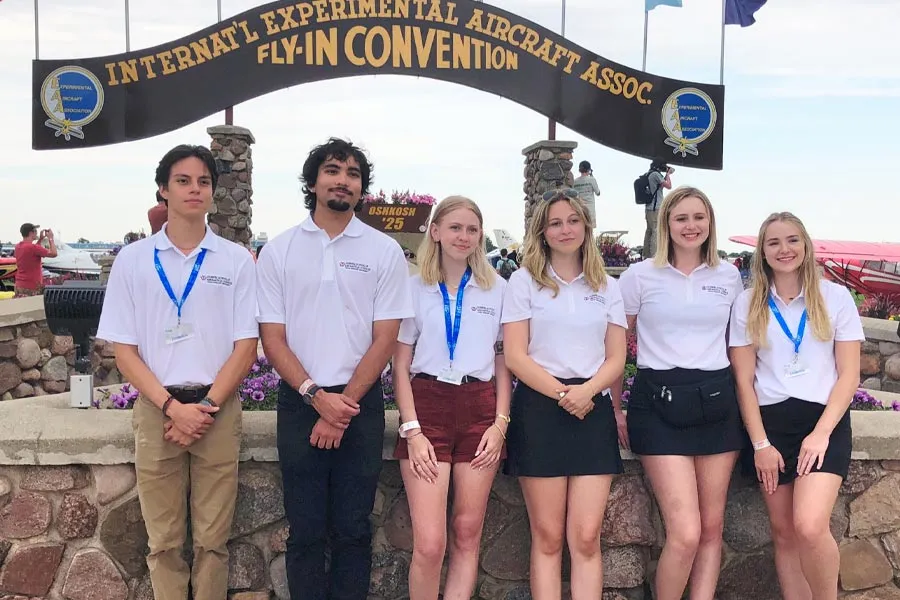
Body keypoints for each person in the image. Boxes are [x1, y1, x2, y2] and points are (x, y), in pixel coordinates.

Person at [96, 144, 259, 600]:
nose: (194, 189)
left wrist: (204, 407)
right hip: (156, 409)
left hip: (217, 409)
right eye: (183, 181)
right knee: (163, 542)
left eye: (203, 182)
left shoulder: (234, 260)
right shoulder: (134, 260)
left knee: (213, 541)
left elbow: (246, 346)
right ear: (163, 190)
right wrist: (171, 407)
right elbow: (124, 350)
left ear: (212, 192)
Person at [256, 138, 413, 600]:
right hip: (301, 400)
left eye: (352, 174)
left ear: (362, 188)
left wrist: (342, 405)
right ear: (313, 181)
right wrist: (316, 397)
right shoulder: (280, 250)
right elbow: (272, 338)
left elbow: (385, 337)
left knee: (352, 530)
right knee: (304, 531)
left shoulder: (384, 251)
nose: (343, 180)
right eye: (332, 170)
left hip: (359, 405)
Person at [614, 186, 745, 600]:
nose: (691, 226)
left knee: (711, 528)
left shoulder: (728, 277)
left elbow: (735, 346)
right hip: (657, 403)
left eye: (698, 217)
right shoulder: (638, 276)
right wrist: (615, 407)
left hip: (717, 402)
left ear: (710, 223)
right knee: (685, 532)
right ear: (666, 223)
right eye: (681, 218)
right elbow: (616, 345)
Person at [729, 212, 862, 600]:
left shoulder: (835, 298)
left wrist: (820, 434)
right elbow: (744, 381)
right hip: (769, 428)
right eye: (773, 242)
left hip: (824, 424)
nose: (784, 249)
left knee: (808, 526)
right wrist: (760, 445)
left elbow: (849, 375)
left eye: (791, 240)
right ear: (762, 252)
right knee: (785, 534)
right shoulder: (747, 304)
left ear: (805, 245)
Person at [501, 188, 627, 600]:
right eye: (555, 222)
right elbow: (516, 356)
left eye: (573, 220)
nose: (565, 229)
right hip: (540, 411)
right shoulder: (523, 283)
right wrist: (563, 394)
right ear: (542, 231)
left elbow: (617, 357)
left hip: (593, 411)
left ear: (586, 227)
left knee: (587, 537)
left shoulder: (607, 286)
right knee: (549, 536)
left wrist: (586, 391)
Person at [393, 195, 512, 600]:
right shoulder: (413, 289)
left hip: (479, 407)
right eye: (456, 227)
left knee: (466, 531)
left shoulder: (497, 289)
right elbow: (400, 363)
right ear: (437, 232)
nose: (464, 236)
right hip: (426, 407)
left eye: (473, 229)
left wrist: (500, 424)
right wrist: (412, 430)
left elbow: (503, 361)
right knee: (429, 543)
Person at [13, 223, 57, 297]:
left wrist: (40, 239)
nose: (36, 233)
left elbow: (33, 251)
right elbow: (54, 253)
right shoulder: (33, 248)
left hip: (19, 284)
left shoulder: (18, 246)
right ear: (31, 233)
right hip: (32, 286)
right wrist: (51, 238)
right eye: (35, 231)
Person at [642, 161, 673, 259]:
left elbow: (659, 186)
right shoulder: (655, 174)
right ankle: (654, 255)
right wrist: (668, 174)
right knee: (656, 231)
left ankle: (646, 254)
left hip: (648, 208)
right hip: (656, 207)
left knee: (649, 231)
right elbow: (668, 185)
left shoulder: (648, 174)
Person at [572, 160, 601, 226]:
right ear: (589, 169)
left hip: (579, 208)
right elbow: (598, 193)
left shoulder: (575, 181)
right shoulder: (592, 179)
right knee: (589, 229)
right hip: (590, 209)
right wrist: (591, 175)